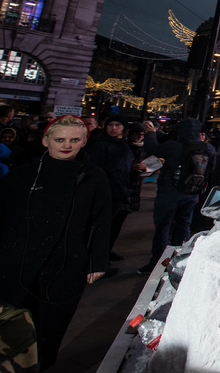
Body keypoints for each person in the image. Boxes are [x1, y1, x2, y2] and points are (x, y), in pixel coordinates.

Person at [0, 115, 112, 369]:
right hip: (15, 261)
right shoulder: (21, 175)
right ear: (46, 140)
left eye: (74, 140)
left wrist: (97, 260)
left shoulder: (94, 177)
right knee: (8, 329)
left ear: (83, 141)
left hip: (64, 265)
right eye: (59, 139)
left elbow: (101, 220)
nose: (66, 145)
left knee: (48, 330)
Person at [138, 118, 208, 274]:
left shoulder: (173, 146)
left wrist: (150, 133)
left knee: (163, 227)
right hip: (191, 194)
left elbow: (151, 148)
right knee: (184, 225)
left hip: (169, 193)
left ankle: (158, 262)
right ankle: (180, 259)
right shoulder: (206, 148)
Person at [82, 113, 136, 265]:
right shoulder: (100, 145)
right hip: (106, 191)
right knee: (100, 227)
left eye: (117, 125)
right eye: (110, 125)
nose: (113, 128)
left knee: (110, 226)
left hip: (119, 191)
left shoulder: (124, 146)